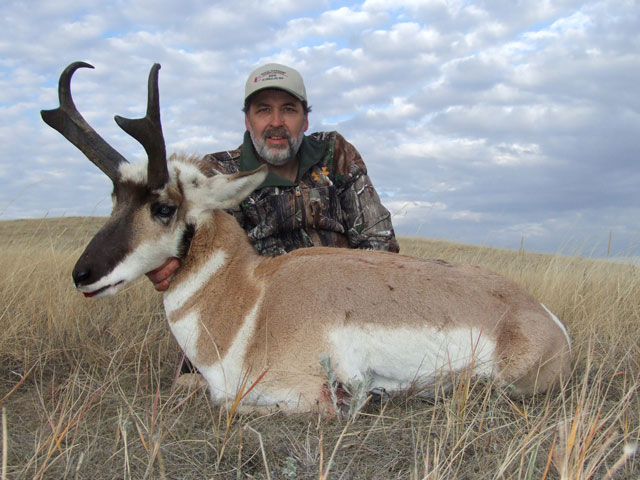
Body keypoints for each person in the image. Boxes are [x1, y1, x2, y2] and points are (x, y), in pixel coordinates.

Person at [148, 63, 399, 291]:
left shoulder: (336, 153)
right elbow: (190, 245)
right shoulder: (219, 173)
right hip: (266, 306)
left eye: (289, 110)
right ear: (248, 121)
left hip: (346, 295)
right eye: (264, 110)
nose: (276, 122)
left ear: (306, 120)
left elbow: (379, 242)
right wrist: (164, 262)